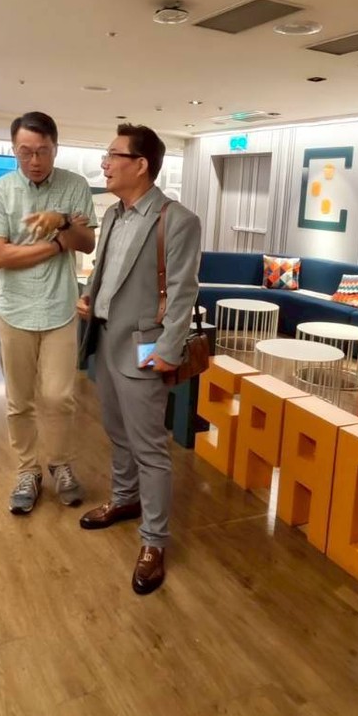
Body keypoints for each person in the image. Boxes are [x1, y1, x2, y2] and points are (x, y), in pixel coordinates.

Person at [77, 124, 201, 594]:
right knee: (116, 431)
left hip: (146, 349)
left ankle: (154, 541)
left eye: (113, 155)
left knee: (150, 448)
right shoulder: (113, 215)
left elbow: (184, 291)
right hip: (105, 339)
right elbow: (105, 269)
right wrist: (90, 298)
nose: (104, 163)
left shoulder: (177, 219)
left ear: (141, 164)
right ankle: (125, 499)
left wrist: (169, 351)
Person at [0, 111, 97, 514]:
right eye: (26, 151)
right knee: (19, 400)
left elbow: (86, 242)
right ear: (14, 150)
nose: (34, 160)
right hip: (13, 310)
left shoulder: (75, 185)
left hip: (60, 307)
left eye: (43, 151)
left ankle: (60, 463)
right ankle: (27, 470)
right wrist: (57, 244)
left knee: (59, 396)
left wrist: (63, 221)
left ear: (55, 148)